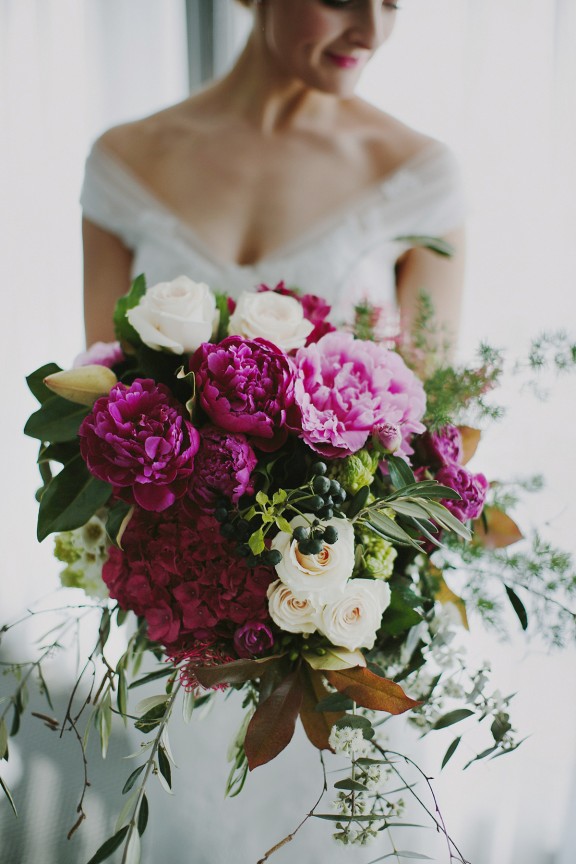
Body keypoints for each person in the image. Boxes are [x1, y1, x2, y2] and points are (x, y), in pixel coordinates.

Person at [80, 2, 467, 861]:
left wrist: (333, 590)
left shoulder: (418, 175)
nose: (370, 26)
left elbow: (435, 442)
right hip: (178, 635)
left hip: (338, 646)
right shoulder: (125, 162)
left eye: (394, 0)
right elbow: (97, 405)